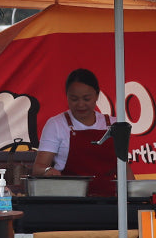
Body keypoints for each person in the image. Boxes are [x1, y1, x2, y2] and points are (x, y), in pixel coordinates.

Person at [31, 68, 132, 196]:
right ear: (66, 96)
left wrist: (131, 197)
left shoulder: (114, 124)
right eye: (74, 99)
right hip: (69, 200)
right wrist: (47, 170)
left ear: (97, 95)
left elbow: (125, 169)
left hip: (110, 200)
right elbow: (38, 167)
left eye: (86, 99)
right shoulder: (56, 124)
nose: (80, 104)